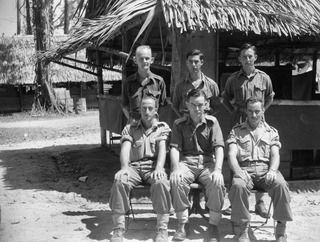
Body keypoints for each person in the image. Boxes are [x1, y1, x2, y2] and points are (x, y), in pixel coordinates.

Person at [226, 97, 293, 242]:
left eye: (257, 111)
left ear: (263, 111)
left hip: (266, 171)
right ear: (246, 111)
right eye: (250, 111)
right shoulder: (236, 131)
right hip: (244, 170)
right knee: (238, 185)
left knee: (281, 185)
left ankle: (281, 231)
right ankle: (242, 229)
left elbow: (275, 154)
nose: (254, 115)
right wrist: (238, 171)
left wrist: (273, 170)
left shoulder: (271, 132)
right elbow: (231, 154)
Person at [222, 43, 274, 218]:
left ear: (255, 58)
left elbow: (270, 97)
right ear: (239, 59)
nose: (247, 59)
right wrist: (235, 113)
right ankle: (233, 201)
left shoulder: (264, 78)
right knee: (235, 159)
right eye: (244, 56)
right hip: (239, 124)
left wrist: (263, 111)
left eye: (250, 56)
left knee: (261, 158)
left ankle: (260, 203)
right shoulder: (233, 79)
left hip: (258, 124)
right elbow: (225, 98)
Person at [109, 96, 171, 242]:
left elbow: (162, 149)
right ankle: (118, 229)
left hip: (153, 166)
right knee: (120, 181)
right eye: (143, 108)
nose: (146, 111)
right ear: (139, 110)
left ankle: (162, 229)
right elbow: (125, 149)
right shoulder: (130, 128)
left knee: (161, 182)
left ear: (156, 110)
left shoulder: (162, 128)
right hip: (134, 167)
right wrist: (124, 167)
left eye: (150, 108)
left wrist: (159, 168)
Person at [170, 89, 225, 242]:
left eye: (200, 105)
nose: (197, 109)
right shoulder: (178, 124)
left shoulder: (212, 123)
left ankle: (213, 225)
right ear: (187, 105)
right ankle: (183, 223)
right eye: (193, 105)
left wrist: (218, 170)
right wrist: (175, 169)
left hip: (207, 162)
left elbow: (219, 148)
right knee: (177, 180)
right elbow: (174, 148)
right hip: (187, 162)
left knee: (217, 182)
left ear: (206, 105)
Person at [122, 45, 167, 123]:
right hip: (135, 126)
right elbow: (124, 105)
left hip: (153, 126)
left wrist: (156, 121)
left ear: (152, 60)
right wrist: (131, 120)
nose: (144, 61)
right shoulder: (129, 82)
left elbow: (163, 106)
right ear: (135, 60)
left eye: (147, 58)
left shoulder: (159, 82)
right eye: (141, 59)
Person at [172, 49, 220, 118]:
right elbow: (174, 106)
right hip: (186, 125)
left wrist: (207, 120)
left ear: (201, 62)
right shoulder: (180, 85)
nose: (193, 65)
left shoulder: (211, 85)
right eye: (190, 62)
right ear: (187, 63)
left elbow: (217, 107)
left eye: (196, 62)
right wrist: (183, 120)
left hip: (205, 124)